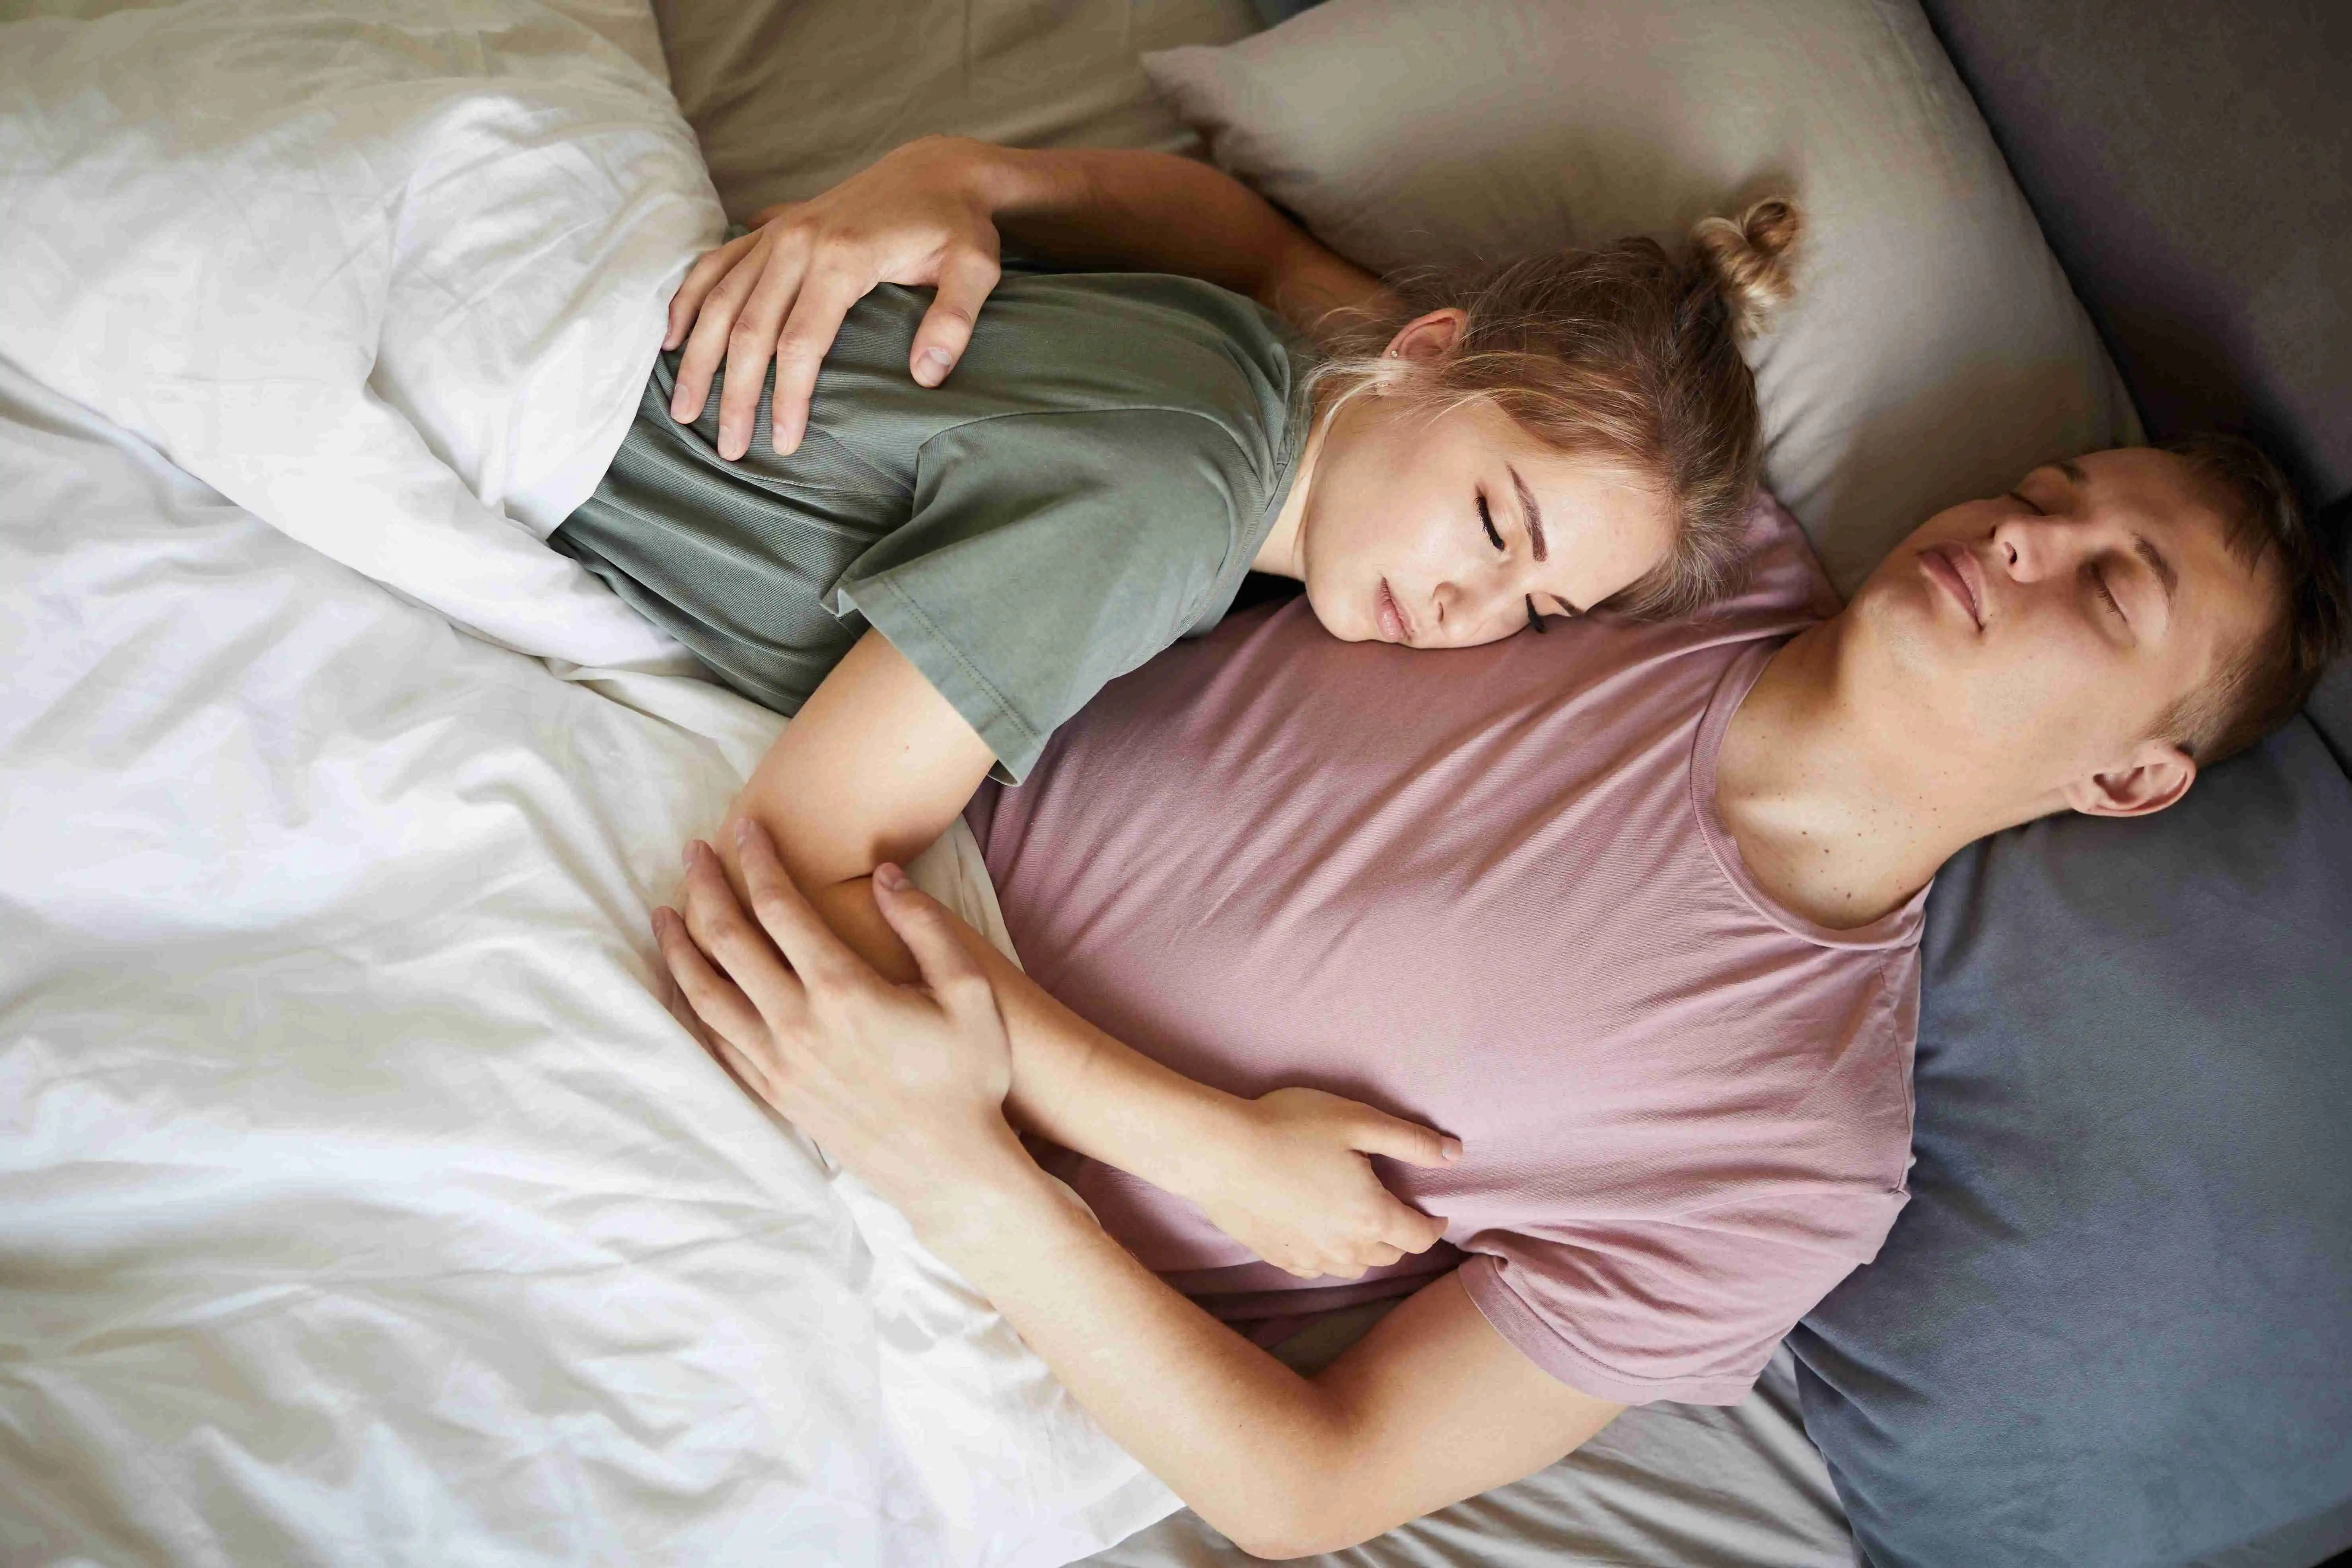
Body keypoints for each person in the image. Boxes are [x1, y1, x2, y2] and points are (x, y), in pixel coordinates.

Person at [651, 139, 2350, 1556]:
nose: (2023, 541)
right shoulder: (1646, 536)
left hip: (964, 1244)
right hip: (830, 792)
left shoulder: (1795, 1158)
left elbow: (1311, 1482)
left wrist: (960, 1166)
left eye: (2107, 588)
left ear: (2128, 780)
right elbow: (1258, 258)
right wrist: (952, 178)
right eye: (2051, 495)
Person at [559, 152, 1803, 1282]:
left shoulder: (1310, 383)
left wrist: (982, 178)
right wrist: (1210, 1148)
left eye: (1535, 611)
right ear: (1426, 351)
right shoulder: (1178, 505)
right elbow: (794, 867)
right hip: (566, 381)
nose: (1462, 605)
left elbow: (1246, 235)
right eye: (1493, 526)